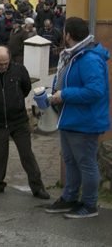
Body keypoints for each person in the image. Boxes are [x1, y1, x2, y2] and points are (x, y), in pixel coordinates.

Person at [45, 17, 110, 219]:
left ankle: (90, 204)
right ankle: (70, 198)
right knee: (71, 161)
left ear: (68, 35)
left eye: (64, 32)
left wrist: (64, 94)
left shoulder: (88, 59)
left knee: (86, 163)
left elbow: (95, 91)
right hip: (71, 118)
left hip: (85, 121)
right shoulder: (75, 55)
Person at [0, 46, 49, 199]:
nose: (4, 66)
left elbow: (26, 88)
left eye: (6, 63)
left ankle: (37, 187)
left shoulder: (19, 70)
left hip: (19, 120)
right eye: (0, 64)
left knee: (27, 154)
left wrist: (15, 102)